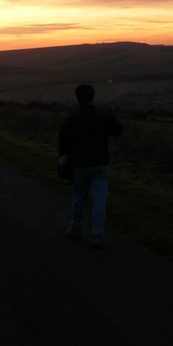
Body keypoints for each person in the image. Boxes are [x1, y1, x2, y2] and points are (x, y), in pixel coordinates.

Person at [57, 83, 123, 248]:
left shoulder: (72, 118)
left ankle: (76, 228)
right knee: (100, 200)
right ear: (93, 96)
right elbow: (119, 129)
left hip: (79, 165)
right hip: (101, 164)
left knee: (79, 197)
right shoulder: (103, 115)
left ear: (77, 98)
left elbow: (62, 141)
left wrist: (63, 158)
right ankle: (97, 235)